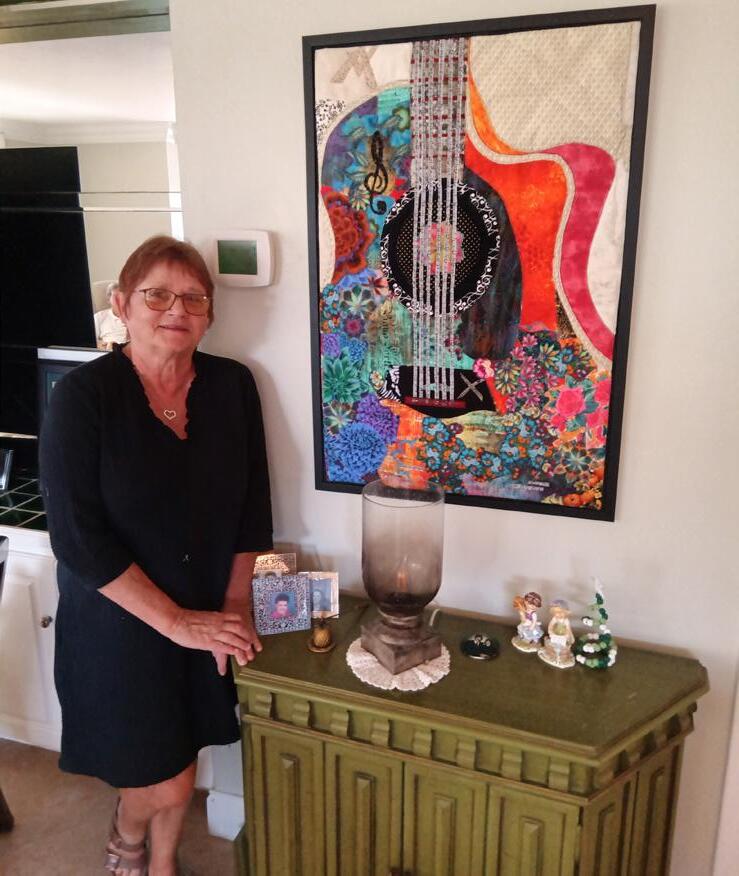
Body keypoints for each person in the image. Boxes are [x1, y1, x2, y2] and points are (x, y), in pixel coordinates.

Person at [39, 235, 272, 876]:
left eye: (194, 298)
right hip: (119, 624)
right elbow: (77, 539)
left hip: (206, 612)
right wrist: (177, 623)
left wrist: (232, 606)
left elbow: (253, 508)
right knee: (163, 779)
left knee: (183, 754)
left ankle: (160, 862)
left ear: (209, 314)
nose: (177, 309)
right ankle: (126, 832)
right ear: (121, 304)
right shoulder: (82, 397)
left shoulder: (233, 386)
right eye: (157, 295)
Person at [94, 282, 129, 350]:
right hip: (108, 351)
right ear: (108, 300)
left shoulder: (137, 316)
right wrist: (101, 345)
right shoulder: (99, 317)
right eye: (116, 297)